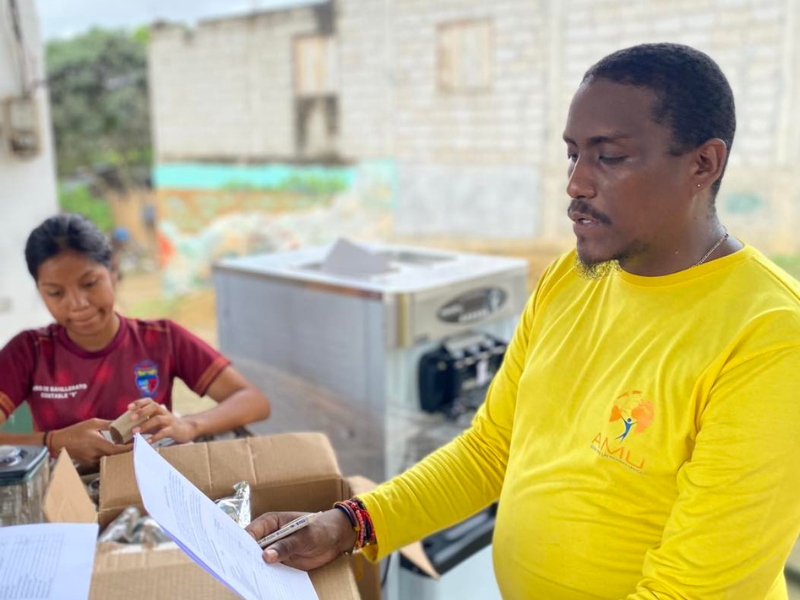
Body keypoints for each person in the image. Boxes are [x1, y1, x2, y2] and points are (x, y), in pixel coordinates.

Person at [245, 43, 800, 599]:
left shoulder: (770, 337)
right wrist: (348, 525)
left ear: (703, 164)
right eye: (573, 154)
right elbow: (490, 450)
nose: (576, 183)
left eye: (609, 156)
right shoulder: (572, 279)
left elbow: (691, 592)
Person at [0, 213, 272, 464]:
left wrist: (189, 425)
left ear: (114, 271)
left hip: (148, 490)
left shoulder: (161, 339)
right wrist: (54, 441)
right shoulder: (30, 351)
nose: (77, 304)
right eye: (55, 293)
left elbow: (253, 400)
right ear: (39, 290)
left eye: (89, 283)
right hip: (64, 497)